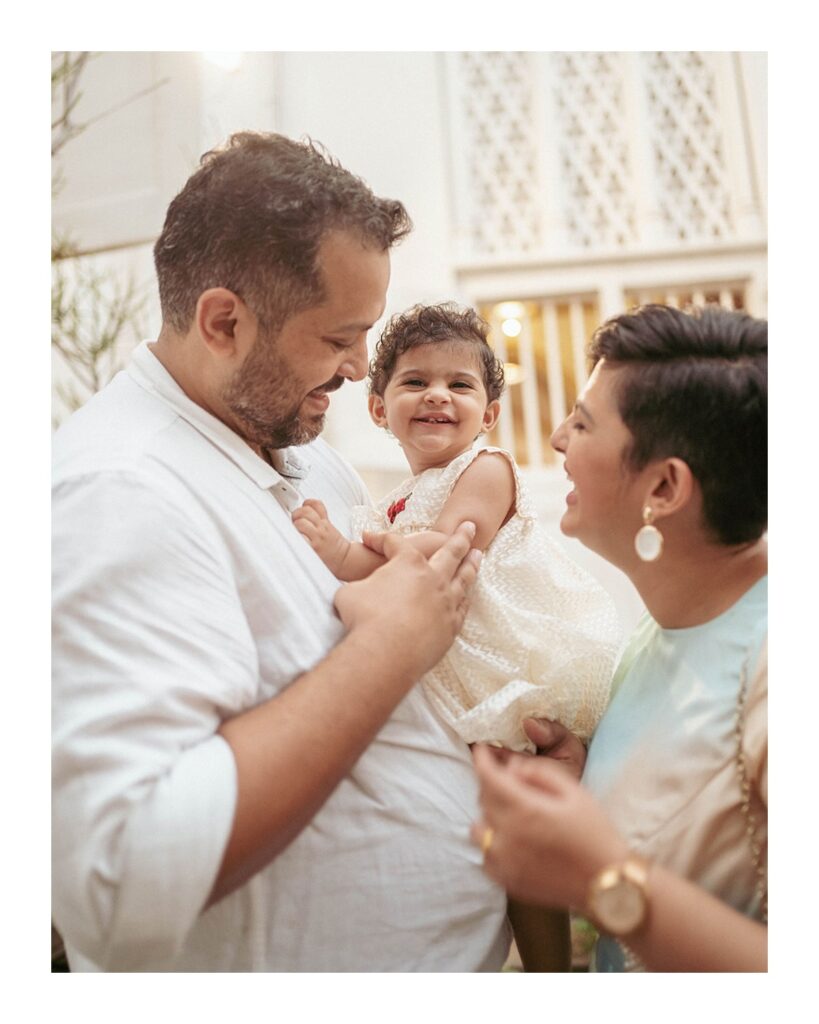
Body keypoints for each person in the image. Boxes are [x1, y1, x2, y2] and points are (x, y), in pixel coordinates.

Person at [52, 131, 509, 972]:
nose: (360, 368)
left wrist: (503, 752)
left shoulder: (302, 452)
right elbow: (117, 885)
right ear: (224, 322)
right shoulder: (118, 489)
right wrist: (389, 647)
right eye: (339, 338)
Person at [293, 301, 621, 970]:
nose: (437, 395)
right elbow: (395, 575)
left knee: (522, 832)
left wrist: (345, 552)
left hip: (509, 668)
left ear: (489, 413)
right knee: (501, 832)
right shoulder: (394, 498)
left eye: (459, 384)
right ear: (379, 409)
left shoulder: (486, 467)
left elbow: (448, 547)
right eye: (415, 381)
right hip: (462, 674)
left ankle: (553, 971)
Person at [470, 303, 767, 972]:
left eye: (582, 423)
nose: (556, 438)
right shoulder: (655, 631)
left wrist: (596, 876)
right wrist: (583, 781)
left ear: (663, 486)